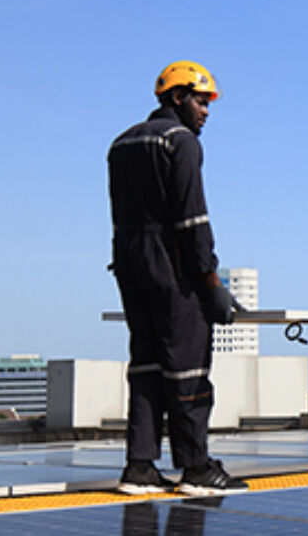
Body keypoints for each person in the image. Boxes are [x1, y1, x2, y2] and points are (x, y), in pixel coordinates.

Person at [108, 60, 243, 495]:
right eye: (201, 101)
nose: (206, 112)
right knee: (188, 369)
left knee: (146, 366)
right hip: (173, 268)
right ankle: (197, 468)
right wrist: (212, 283)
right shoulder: (181, 142)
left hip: (130, 263)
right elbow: (192, 219)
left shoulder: (121, 143)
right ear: (178, 97)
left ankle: (140, 467)